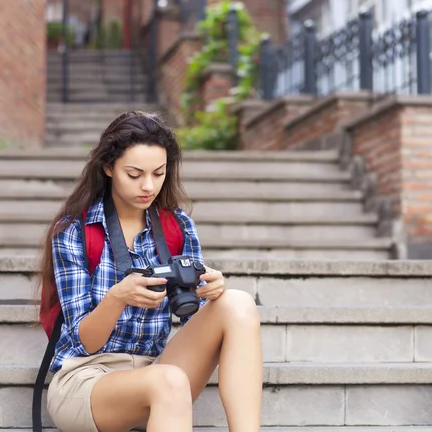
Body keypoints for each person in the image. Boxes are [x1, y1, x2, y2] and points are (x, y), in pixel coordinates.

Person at [38, 111, 263, 432]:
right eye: (134, 174)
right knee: (168, 380)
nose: (148, 185)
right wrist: (117, 297)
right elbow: (84, 341)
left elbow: (190, 319)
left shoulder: (178, 226)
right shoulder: (74, 231)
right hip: (86, 379)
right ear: (108, 168)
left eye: (158, 173)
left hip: (155, 370)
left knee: (237, 302)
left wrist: (207, 292)